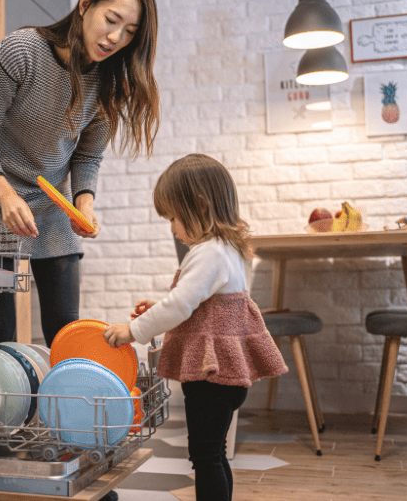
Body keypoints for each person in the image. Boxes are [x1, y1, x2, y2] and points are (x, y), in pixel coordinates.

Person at [0, 0, 160, 351]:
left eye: (130, 32)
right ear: (85, 5)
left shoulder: (109, 83)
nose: (116, 38)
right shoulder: (21, 51)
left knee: (67, 334)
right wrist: (6, 195)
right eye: (111, 20)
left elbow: (87, 157)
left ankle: (59, 412)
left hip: (51, 209)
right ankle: (5, 413)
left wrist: (84, 204)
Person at [103, 153, 288, 501]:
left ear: (200, 208)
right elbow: (201, 306)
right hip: (225, 377)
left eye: (173, 217)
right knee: (214, 454)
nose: (172, 227)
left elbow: (181, 305)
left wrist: (133, 330)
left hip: (211, 378)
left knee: (205, 458)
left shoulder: (208, 253)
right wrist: (159, 308)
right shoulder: (228, 250)